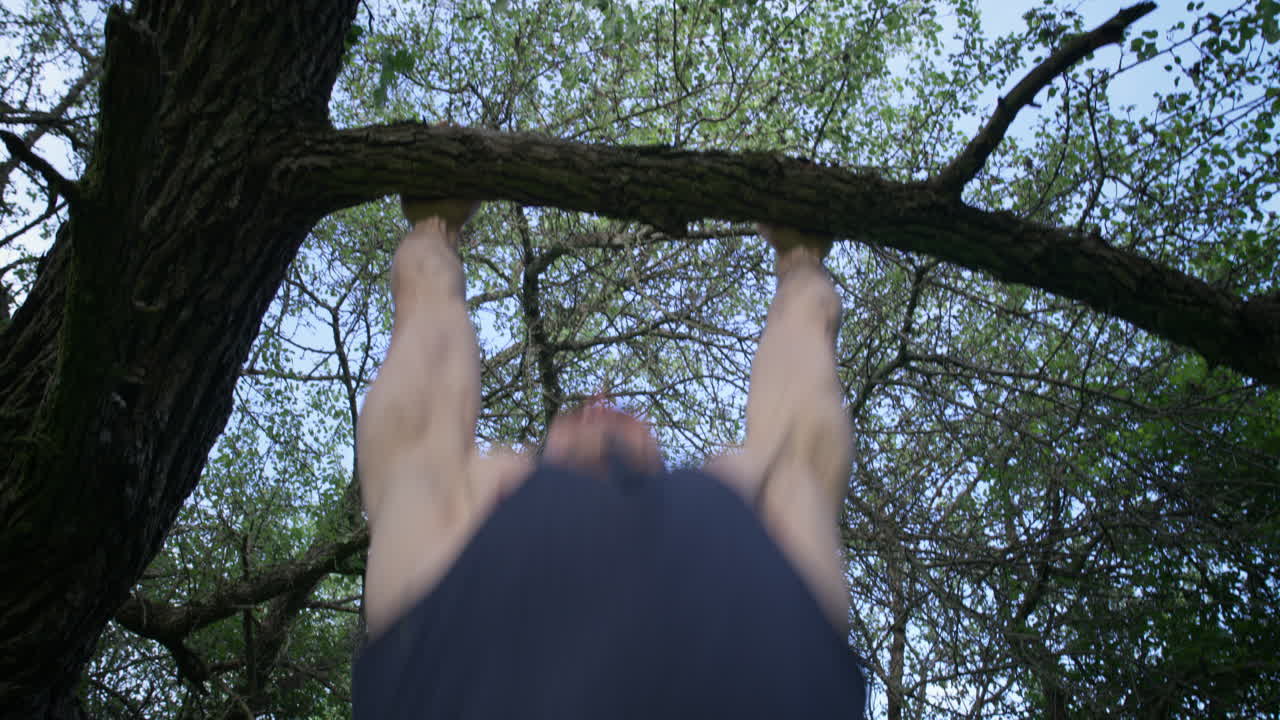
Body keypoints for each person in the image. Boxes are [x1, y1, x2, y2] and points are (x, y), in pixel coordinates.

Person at [353, 197, 866, 718]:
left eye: (612, 410)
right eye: (581, 412)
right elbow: (804, 405)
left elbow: (419, 376)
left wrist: (434, 229)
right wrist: (801, 262)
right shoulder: (746, 506)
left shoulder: (476, 510)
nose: (601, 403)